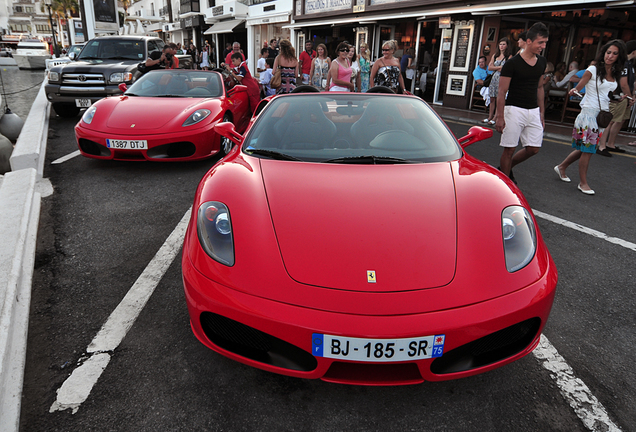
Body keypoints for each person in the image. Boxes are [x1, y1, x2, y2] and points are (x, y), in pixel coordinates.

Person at [554, 40, 626, 195]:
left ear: (619, 56)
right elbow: (581, 84)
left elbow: (607, 95)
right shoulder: (593, 69)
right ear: (603, 53)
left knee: (586, 148)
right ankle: (583, 183)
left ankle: (561, 167)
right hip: (588, 115)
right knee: (588, 150)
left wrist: (619, 98)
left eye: (614, 53)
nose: (610, 56)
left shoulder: (614, 73)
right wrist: (575, 90)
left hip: (601, 116)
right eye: (608, 52)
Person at [495, 22, 549, 183]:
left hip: (533, 110)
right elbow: (502, 91)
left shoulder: (542, 62)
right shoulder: (512, 63)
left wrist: (541, 112)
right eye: (540, 42)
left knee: (533, 148)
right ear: (529, 41)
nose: (543, 46)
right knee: (509, 149)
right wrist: (500, 116)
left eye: (545, 42)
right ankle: (505, 183)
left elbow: (540, 88)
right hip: (513, 109)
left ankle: (505, 168)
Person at [597, 40, 636, 155]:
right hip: (619, 95)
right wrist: (629, 97)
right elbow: (623, 83)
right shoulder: (623, 64)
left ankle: (610, 143)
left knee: (620, 120)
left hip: (624, 96)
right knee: (610, 121)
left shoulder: (629, 64)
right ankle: (602, 145)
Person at [485, 38, 513, 125]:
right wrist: (498, 68)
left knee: (499, 98)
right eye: (500, 44)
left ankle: (495, 117)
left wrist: (495, 67)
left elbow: (506, 69)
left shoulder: (509, 56)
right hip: (494, 78)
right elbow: (489, 67)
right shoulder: (495, 55)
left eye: (504, 44)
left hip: (502, 79)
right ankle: (490, 116)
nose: (502, 46)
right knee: (492, 98)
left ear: (507, 46)